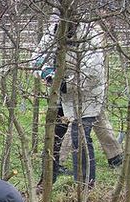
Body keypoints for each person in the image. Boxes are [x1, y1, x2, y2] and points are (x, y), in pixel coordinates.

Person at [33, 17, 123, 187]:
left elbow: (93, 73)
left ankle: (85, 184)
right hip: (59, 92)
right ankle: (47, 180)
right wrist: (45, 72)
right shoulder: (52, 32)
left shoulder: (90, 36)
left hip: (87, 95)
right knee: (53, 135)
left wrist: (66, 83)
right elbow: (37, 57)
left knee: (79, 135)